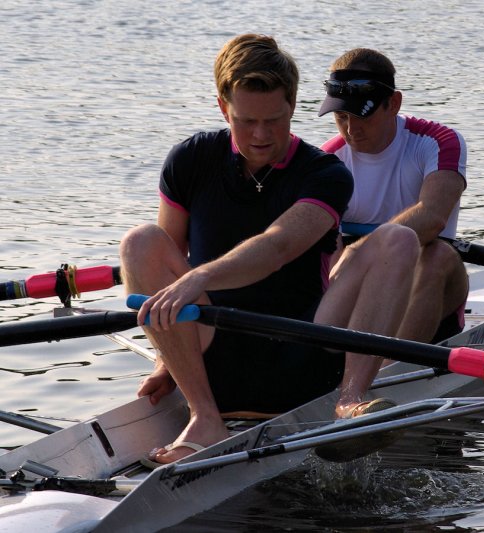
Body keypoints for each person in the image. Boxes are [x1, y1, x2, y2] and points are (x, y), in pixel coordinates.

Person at [120, 34, 419, 466]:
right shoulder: (189, 160)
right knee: (139, 242)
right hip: (214, 351)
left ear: (293, 106)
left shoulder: (325, 174)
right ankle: (204, 416)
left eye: (274, 120)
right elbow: (163, 262)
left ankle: (351, 402)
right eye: (246, 121)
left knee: (398, 239)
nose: (261, 136)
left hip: (307, 355)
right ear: (224, 108)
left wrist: (199, 276)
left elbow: (278, 245)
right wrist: (167, 358)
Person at [318, 48, 469, 409]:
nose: (352, 129)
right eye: (341, 116)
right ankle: (352, 386)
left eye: (363, 116)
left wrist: (362, 248)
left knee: (437, 254)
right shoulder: (327, 162)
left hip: (433, 289)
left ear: (394, 103)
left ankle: (382, 380)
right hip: (362, 301)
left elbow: (433, 217)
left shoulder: (437, 141)